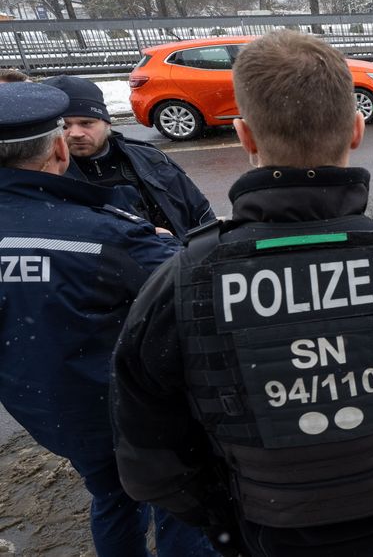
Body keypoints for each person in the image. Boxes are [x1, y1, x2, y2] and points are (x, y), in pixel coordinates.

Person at [111, 30, 373, 557]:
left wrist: (231, 519)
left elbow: (149, 464)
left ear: (244, 135)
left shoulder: (180, 286)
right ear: (357, 129)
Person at [0, 81, 216, 557]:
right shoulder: (102, 234)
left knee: (113, 496)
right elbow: (200, 288)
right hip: (127, 406)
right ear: (57, 148)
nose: (76, 135)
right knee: (180, 500)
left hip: (51, 410)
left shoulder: (137, 174)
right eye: (68, 129)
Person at [41, 75, 214, 241]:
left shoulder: (151, 159)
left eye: (86, 123)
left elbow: (200, 214)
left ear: (107, 123)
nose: (76, 133)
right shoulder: (42, 176)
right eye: (64, 126)